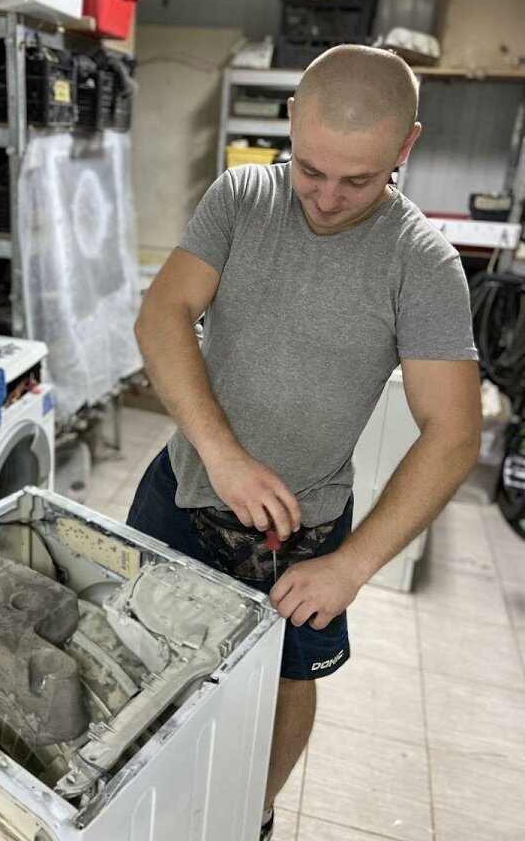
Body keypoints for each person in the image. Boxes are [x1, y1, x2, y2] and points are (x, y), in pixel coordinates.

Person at [127, 44, 481, 840]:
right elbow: (161, 316)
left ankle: (249, 816)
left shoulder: (422, 263)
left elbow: (455, 432)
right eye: (312, 169)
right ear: (291, 119)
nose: (325, 198)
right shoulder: (242, 196)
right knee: (141, 650)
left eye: (358, 180)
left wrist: (351, 566)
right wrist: (223, 454)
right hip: (182, 492)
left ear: (407, 145)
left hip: (306, 534)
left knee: (286, 681)